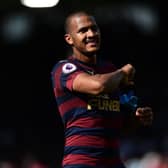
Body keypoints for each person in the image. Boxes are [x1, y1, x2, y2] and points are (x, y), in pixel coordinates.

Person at [51, 11, 153, 168]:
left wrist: (137, 119)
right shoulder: (64, 68)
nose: (91, 34)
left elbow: (121, 126)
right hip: (81, 162)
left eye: (94, 28)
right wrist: (123, 72)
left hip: (113, 162)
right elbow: (98, 86)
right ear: (69, 39)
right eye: (83, 30)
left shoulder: (109, 70)